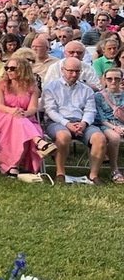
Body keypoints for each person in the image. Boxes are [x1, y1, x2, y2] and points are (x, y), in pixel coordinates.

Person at [43, 56, 106, 184]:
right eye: (70, 71)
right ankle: (60, 173)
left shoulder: (86, 89)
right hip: (57, 122)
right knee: (63, 136)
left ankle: (93, 175)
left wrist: (83, 123)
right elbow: (51, 111)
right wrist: (67, 124)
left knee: (100, 138)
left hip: (81, 121)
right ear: (62, 70)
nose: (74, 74)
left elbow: (90, 110)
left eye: (77, 71)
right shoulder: (50, 87)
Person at [95, 67, 124, 184]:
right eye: (110, 79)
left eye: (117, 79)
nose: (113, 81)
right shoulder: (99, 96)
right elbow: (100, 118)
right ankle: (114, 169)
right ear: (104, 79)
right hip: (106, 125)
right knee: (115, 138)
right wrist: (114, 127)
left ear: (122, 80)